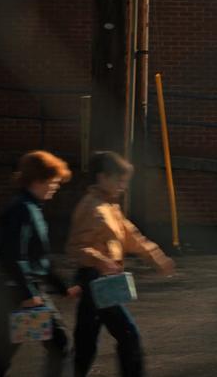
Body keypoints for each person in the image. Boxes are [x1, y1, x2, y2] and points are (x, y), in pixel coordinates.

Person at [67, 151, 175, 377]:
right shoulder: (91, 208)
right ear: (102, 177)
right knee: (128, 335)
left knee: (86, 343)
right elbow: (76, 247)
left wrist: (157, 258)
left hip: (103, 280)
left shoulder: (111, 208)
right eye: (119, 180)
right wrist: (101, 260)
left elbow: (132, 237)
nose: (123, 186)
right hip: (94, 279)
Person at [0, 150, 81, 377]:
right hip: (19, 293)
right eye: (54, 181)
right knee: (58, 344)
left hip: (20, 292)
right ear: (39, 180)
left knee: (3, 353)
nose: (56, 186)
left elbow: (38, 259)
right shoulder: (22, 209)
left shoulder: (30, 208)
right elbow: (12, 255)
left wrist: (62, 287)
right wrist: (28, 294)